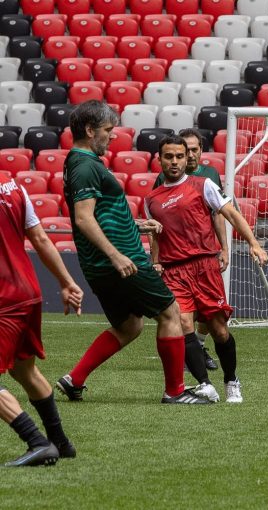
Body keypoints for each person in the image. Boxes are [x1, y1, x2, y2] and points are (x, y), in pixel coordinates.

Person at [56, 100, 208, 405]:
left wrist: (134, 224)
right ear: (89, 130)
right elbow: (84, 218)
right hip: (119, 261)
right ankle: (175, 392)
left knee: (129, 325)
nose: (113, 136)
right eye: (108, 130)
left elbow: (99, 214)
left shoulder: (80, 163)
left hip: (102, 263)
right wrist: (116, 255)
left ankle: (74, 380)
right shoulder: (85, 165)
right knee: (170, 313)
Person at [144, 135, 268, 403]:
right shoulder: (151, 199)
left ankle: (231, 381)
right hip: (173, 271)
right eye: (169, 156)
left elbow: (231, 214)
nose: (175, 161)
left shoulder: (203, 185)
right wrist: (155, 260)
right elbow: (155, 235)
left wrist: (253, 243)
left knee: (219, 331)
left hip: (205, 267)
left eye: (180, 155)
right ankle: (204, 384)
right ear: (160, 159)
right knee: (183, 323)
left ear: (187, 156)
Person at [0, 173, 83, 466]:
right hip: (28, 292)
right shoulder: (13, 187)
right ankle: (60, 443)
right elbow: (39, 238)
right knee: (24, 371)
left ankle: (37, 441)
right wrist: (66, 282)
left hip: (4, 299)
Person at [153, 128, 222, 372]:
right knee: (183, 314)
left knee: (210, 316)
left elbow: (218, 214)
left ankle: (200, 346)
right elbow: (158, 222)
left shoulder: (209, 176)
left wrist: (223, 248)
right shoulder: (163, 179)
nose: (189, 155)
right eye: (186, 150)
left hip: (204, 256)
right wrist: (156, 259)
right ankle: (192, 356)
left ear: (201, 151)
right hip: (177, 259)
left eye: (193, 150)